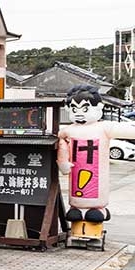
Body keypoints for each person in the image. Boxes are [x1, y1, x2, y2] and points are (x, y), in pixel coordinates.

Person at [56, 84, 135, 246]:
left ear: (98, 108)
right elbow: (60, 139)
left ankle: (96, 210)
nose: (79, 114)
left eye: (84, 109)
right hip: (76, 177)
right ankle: (78, 214)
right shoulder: (69, 130)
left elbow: (128, 129)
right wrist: (63, 161)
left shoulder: (104, 128)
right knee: (76, 206)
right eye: (74, 109)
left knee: (94, 210)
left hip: (97, 185)